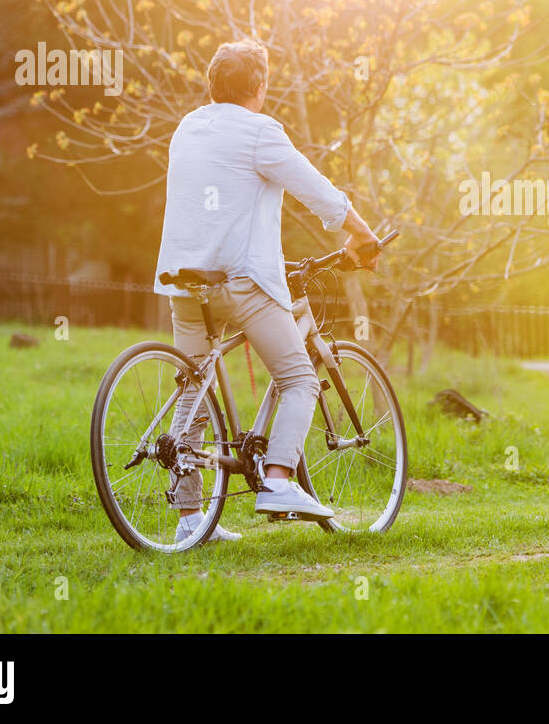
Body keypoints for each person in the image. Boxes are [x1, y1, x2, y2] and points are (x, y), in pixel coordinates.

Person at [153, 38, 381, 543]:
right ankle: (277, 480)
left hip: (183, 282)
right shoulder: (260, 131)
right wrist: (363, 236)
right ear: (261, 87)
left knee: (193, 389)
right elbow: (317, 190)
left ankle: (193, 520)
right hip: (240, 281)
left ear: (211, 84)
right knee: (300, 378)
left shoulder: (188, 127)